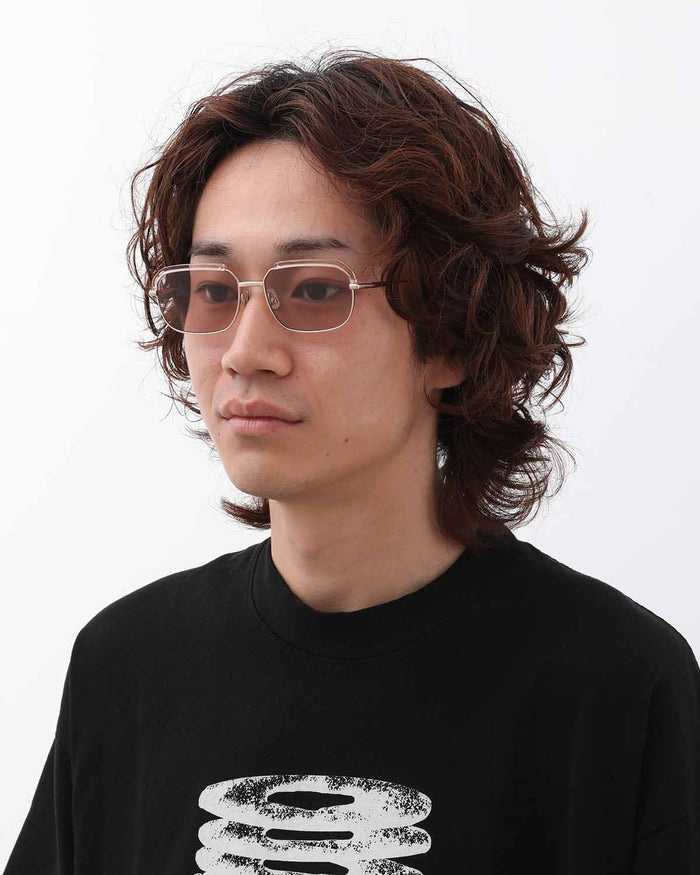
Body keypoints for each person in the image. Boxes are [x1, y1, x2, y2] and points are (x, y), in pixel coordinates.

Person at [4, 48, 699, 875]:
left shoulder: (617, 689)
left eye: (314, 290)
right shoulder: (126, 669)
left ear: (451, 333)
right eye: (215, 291)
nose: (245, 352)